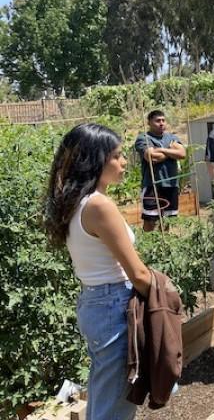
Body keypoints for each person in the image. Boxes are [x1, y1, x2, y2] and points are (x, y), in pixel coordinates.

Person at [45, 123, 153, 420]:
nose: (125, 162)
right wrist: (161, 302)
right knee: (115, 405)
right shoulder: (98, 205)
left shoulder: (73, 202)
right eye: (117, 155)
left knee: (105, 393)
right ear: (95, 161)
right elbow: (138, 274)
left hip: (97, 304)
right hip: (113, 306)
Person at [134, 110, 186, 232]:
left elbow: (182, 153)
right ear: (149, 123)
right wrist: (170, 150)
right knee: (150, 220)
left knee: (168, 221)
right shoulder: (144, 138)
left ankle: (164, 248)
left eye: (163, 120)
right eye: (158, 121)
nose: (161, 123)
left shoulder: (172, 137)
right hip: (152, 184)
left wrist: (162, 150)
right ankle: (148, 246)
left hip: (171, 184)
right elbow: (151, 156)